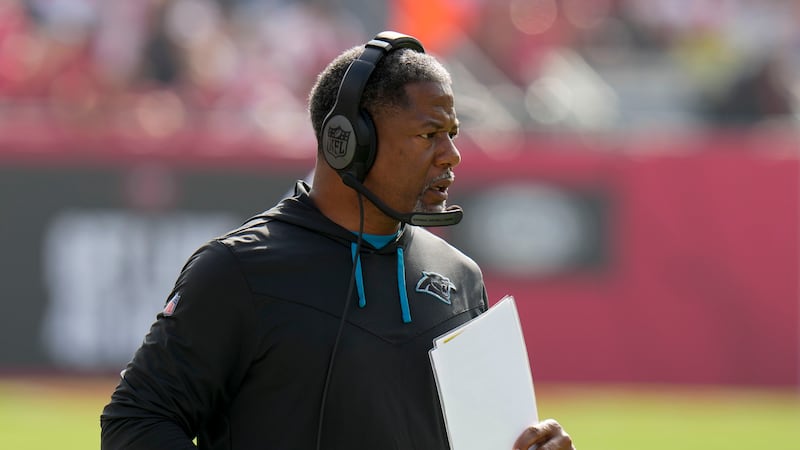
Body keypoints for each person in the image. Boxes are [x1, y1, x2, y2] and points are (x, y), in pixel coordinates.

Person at [100, 31, 576, 450]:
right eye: (429, 133)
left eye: (452, 133)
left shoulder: (460, 277)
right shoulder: (238, 270)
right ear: (346, 142)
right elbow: (135, 423)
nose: (451, 154)